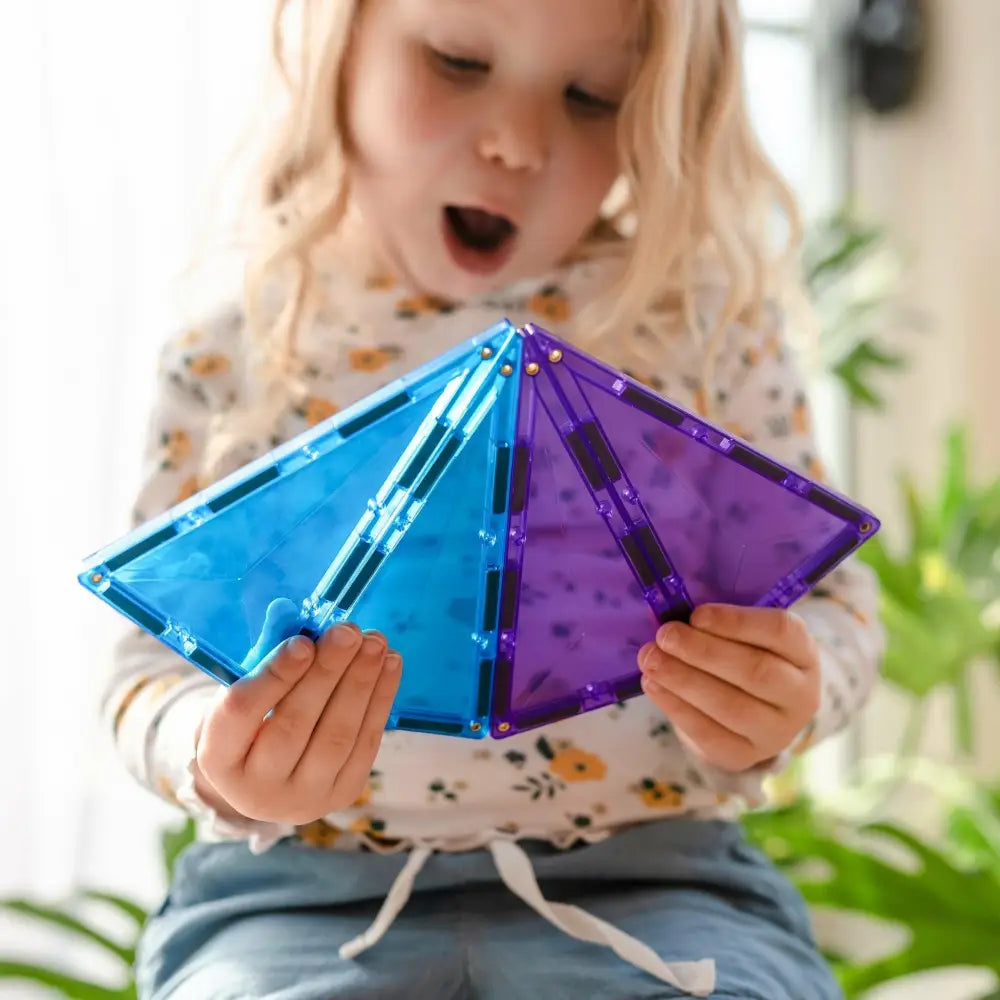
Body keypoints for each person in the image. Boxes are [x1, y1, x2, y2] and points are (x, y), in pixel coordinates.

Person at [102, 1, 884, 997]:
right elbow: (142, 668)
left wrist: (790, 692)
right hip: (292, 898)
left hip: (659, 884)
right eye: (457, 60)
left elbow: (835, 605)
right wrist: (213, 754)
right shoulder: (235, 343)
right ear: (335, 42)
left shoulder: (704, 326)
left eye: (591, 97)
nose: (517, 141)